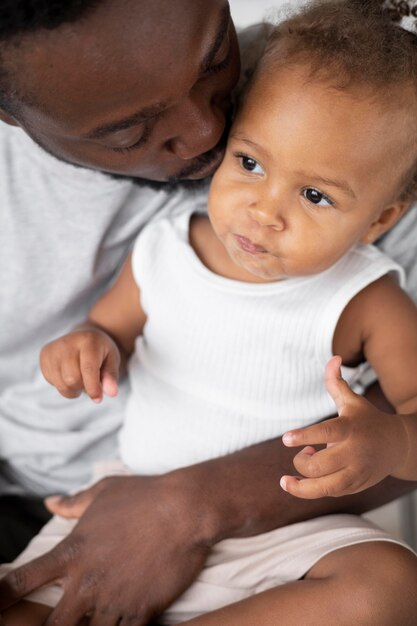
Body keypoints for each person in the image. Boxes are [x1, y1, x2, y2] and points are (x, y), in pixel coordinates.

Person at [0, 0, 417, 624]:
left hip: (288, 531)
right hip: (93, 500)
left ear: (379, 220)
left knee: (389, 588)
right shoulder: (167, 248)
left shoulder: (367, 283)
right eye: (248, 163)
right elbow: (111, 327)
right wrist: (86, 347)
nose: (205, 135)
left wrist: (389, 442)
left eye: (216, 59)